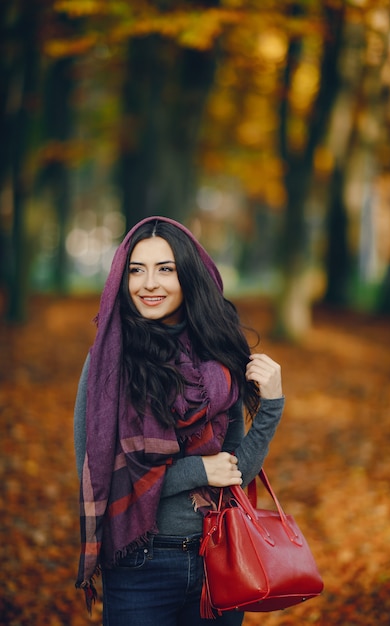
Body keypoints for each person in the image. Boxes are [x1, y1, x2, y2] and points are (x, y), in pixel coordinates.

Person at [74, 216, 285, 626]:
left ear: (189, 275)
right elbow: (98, 474)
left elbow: (236, 472)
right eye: (136, 270)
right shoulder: (107, 362)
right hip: (140, 565)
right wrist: (197, 470)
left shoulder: (220, 357)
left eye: (165, 269)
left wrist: (272, 405)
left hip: (219, 556)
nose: (148, 283)